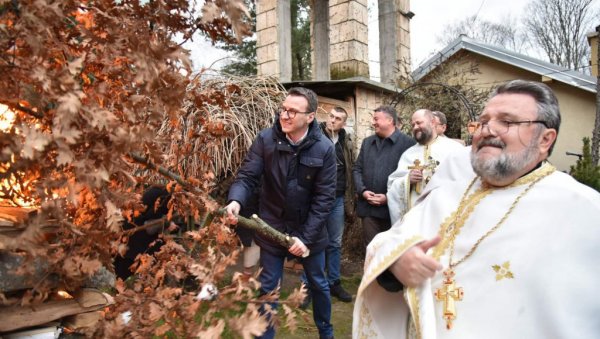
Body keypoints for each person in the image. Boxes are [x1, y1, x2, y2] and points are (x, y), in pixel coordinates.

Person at [353, 80, 600, 339]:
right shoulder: (448, 194)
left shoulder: (585, 212)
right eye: (483, 121)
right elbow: (389, 242)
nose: (487, 130)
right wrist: (397, 262)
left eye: (507, 122)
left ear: (545, 139)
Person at [225, 87, 336, 339]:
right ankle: (265, 335)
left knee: (318, 285)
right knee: (267, 287)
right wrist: (235, 201)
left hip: (310, 232)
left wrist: (305, 238)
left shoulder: (325, 149)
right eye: (283, 109)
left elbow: (324, 199)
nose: (284, 116)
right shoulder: (266, 140)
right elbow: (247, 176)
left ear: (310, 116)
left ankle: (326, 333)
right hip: (272, 227)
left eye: (292, 111)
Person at [301, 107, 355, 307]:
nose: (332, 120)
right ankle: (307, 286)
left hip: (337, 199)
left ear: (343, 123)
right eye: (331, 116)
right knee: (311, 240)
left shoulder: (346, 142)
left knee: (334, 243)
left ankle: (333, 282)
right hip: (315, 200)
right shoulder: (314, 135)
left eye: (338, 118)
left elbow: (350, 168)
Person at [386, 109, 464, 224]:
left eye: (419, 123)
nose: (415, 127)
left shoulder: (454, 149)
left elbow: (466, 179)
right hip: (416, 217)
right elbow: (392, 185)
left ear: (432, 123)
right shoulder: (408, 154)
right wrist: (407, 180)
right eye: (413, 125)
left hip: (445, 214)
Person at [352, 105, 415, 247]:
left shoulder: (409, 144)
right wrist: (363, 191)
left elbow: (410, 177)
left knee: (393, 253)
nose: (373, 122)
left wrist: (389, 197)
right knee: (372, 251)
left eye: (376, 119)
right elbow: (357, 169)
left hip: (395, 211)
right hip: (369, 209)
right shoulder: (367, 142)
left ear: (389, 120)